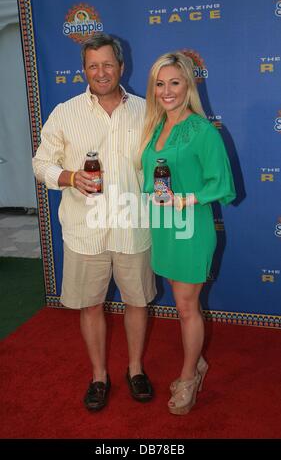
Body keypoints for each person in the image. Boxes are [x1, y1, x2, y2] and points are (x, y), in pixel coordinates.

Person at [32, 33, 156, 412]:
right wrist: (69, 177)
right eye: (93, 65)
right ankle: (99, 375)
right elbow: (41, 163)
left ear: (121, 66)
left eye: (107, 64)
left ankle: (135, 369)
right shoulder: (65, 113)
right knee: (90, 306)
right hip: (85, 231)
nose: (100, 72)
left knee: (137, 302)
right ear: (83, 69)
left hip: (134, 226)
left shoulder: (147, 110)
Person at [139, 52, 236, 415]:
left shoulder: (201, 130)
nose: (166, 91)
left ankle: (189, 375)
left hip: (191, 227)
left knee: (185, 307)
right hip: (165, 227)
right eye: (160, 84)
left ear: (188, 86)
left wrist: (185, 198)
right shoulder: (155, 127)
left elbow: (222, 184)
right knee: (181, 305)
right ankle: (195, 363)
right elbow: (153, 176)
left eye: (174, 83)